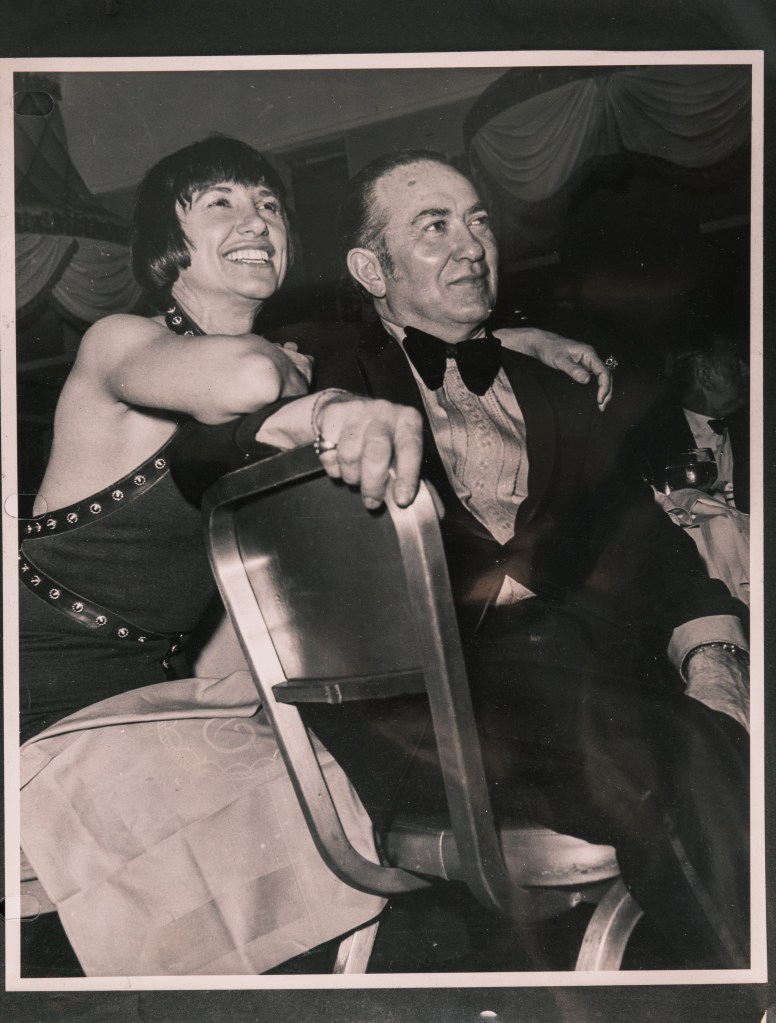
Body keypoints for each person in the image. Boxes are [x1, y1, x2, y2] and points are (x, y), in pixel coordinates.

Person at [17, 137, 611, 975]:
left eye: (268, 203)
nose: (256, 218)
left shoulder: (288, 358)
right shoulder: (122, 341)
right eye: (219, 201)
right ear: (166, 241)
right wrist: (328, 402)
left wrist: (515, 340)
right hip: (33, 667)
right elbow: (248, 382)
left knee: (314, 799)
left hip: (142, 684)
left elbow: (232, 590)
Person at [174, 149, 751, 970]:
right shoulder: (324, 367)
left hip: (600, 686)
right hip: (433, 713)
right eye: (433, 225)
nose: (470, 243)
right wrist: (323, 418)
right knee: (676, 755)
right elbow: (200, 448)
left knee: (707, 730)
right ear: (371, 267)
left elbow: (648, 541)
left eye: (478, 219)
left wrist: (716, 655)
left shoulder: (555, 386)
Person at [621, 308, 749, 511]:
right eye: (735, 361)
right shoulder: (646, 445)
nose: (747, 368)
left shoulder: (757, 430)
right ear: (706, 376)